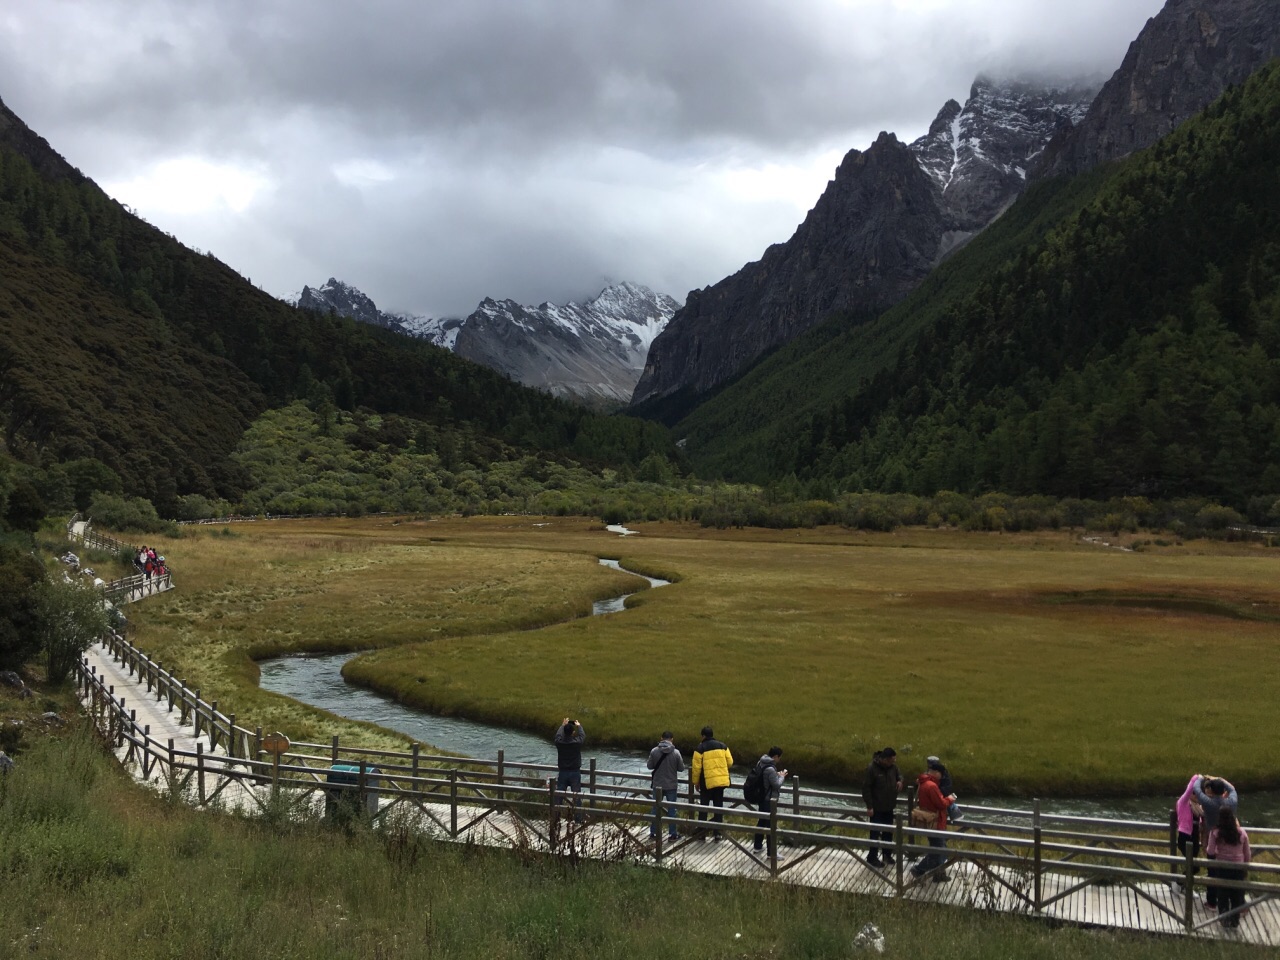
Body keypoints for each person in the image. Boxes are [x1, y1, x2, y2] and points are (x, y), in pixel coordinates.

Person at [1194, 776, 1239, 908]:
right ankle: (1233, 902)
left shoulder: (1209, 803)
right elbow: (1232, 789)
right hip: (1231, 839)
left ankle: (1212, 902)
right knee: (1230, 873)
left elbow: (1197, 789)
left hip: (1213, 840)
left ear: (1212, 791)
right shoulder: (1232, 801)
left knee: (1212, 872)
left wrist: (1199, 777)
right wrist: (1220, 779)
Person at [909, 767, 956, 882]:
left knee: (940, 849)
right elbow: (941, 804)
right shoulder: (932, 786)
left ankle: (938, 875)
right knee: (939, 851)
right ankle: (919, 869)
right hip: (936, 822)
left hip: (929, 821)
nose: (942, 776)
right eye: (941, 773)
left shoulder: (923, 783)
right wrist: (950, 799)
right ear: (935, 773)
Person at [1206, 808, 1250, 929]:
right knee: (1236, 895)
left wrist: (1217, 852)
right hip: (1238, 868)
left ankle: (1224, 920)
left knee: (1222, 895)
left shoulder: (1216, 832)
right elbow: (1247, 854)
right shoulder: (1242, 833)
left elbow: (1210, 851)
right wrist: (1245, 866)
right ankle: (1235, 921)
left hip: (1222, 868)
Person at [862, 747, 903, 867]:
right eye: (892, 760)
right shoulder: (871, 769)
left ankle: (887, 854)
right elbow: (866, 788)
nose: (893, 762)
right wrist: (869, 806)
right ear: (885, 759)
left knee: (888, 832)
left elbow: (900, 775)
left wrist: (900, 780)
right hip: (876, 807)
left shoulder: (893, 767)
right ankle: (872, 857)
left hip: (889, 806)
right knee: (875, 832)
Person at [691, 725, 733, 841]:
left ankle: (702, 834)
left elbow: (696, 768)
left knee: (704, 808)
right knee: (718, 807)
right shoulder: (722, 746)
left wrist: (696, 782)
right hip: (720, 782)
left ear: (703, 736)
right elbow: (730, 762)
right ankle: (717, 833)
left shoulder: (700, 748)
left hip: (707, 783)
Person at [647, 731, 685, 841]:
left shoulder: (654, 751)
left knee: (655, 809)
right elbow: (681, 768)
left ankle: (653, 833)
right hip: (671, 785)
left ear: (661, 738)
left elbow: (649, 766)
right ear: (672, 739)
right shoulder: (676, 753)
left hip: (657, 785)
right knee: (672, 810)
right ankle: (672, 834)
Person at [751, 746, 788, 858]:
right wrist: (781, 776)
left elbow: (765, 778)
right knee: (771, 826)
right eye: (779, 758)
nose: (779, 760)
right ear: (775, 756)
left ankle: (757, 846)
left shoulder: (760, 763)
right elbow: (776, 785)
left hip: (761, 798)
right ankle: (771, 853)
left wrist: (775, 775)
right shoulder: (771, 769)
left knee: (761, 822)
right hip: (769, 800)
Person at [553, 718, 586, 820]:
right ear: (573, 733)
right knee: (576, 797)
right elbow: (582, 736)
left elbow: (557, 736)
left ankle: (556, 818)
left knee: (559, 796)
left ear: (564, 732)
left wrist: (562, 725)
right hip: (575, 772)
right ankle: (578, 819)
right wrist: (579, 725)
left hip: (562, 772)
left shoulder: (559, 743)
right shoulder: (576, 743)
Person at [1174, 774, 1204, 883]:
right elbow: (1189, 790)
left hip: (1195, 838)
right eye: (1194, 793)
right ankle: (1179, 883)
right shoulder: (1183, 802)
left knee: (1193, 865)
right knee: (1193, 866)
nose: (1196, 795)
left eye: (1198, 793)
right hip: (1185, 837)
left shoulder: (1198, 807)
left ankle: (1184, 886)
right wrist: (1196, 778)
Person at [926, 756, 961, 821]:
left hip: (941, 797)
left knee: (951, 806)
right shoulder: (927, 777)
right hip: (934, 804)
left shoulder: (944, 774)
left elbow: (947, 787)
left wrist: (939, 793)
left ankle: (956, 818)